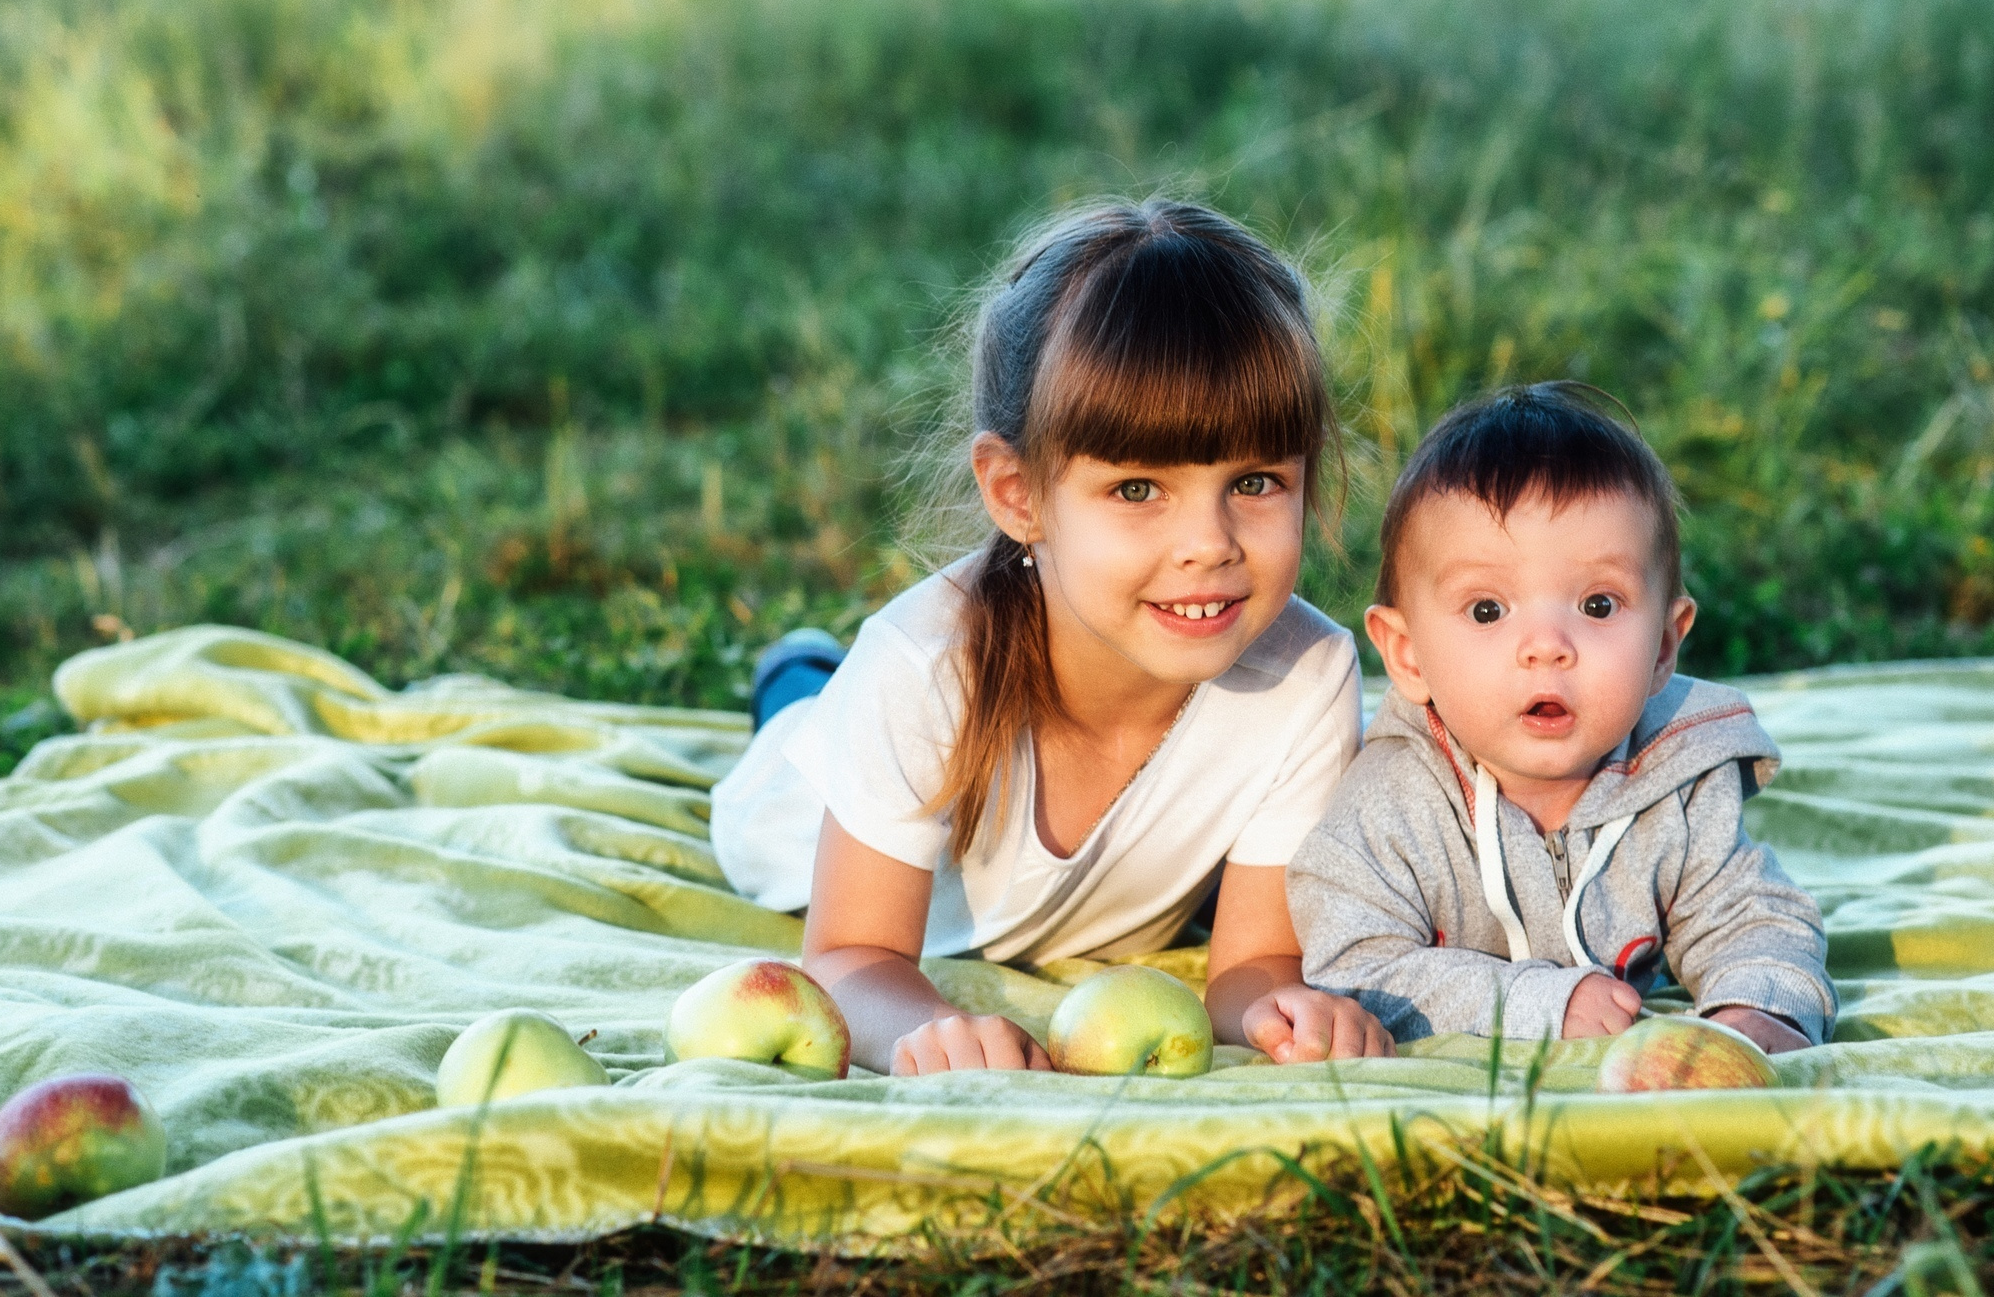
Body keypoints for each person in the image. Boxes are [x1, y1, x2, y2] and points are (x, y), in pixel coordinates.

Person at [710, 198, 1394, 1075]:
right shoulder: (922, 669)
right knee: (802, 720)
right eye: (1138, 489)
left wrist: (1273, 1009)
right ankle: (798, 674)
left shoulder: (1307, 675)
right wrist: (928, 1028)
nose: (1210, 544)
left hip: (1072, 891)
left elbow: (1254, 961)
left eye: (1255, 481)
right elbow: (848, 955)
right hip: (798, 809)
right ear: (1018, 494)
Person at [1287, 383, 1834, 1050]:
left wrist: (1758, 1007)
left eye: (1598, 605)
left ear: (1665, 646)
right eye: (1487, 610)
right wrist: (1535, 1003)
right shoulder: (1390, 806)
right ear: (1407, 655)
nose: (1546, 646)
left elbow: (1750, 915)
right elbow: (1355, 969)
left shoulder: (1679, 779)